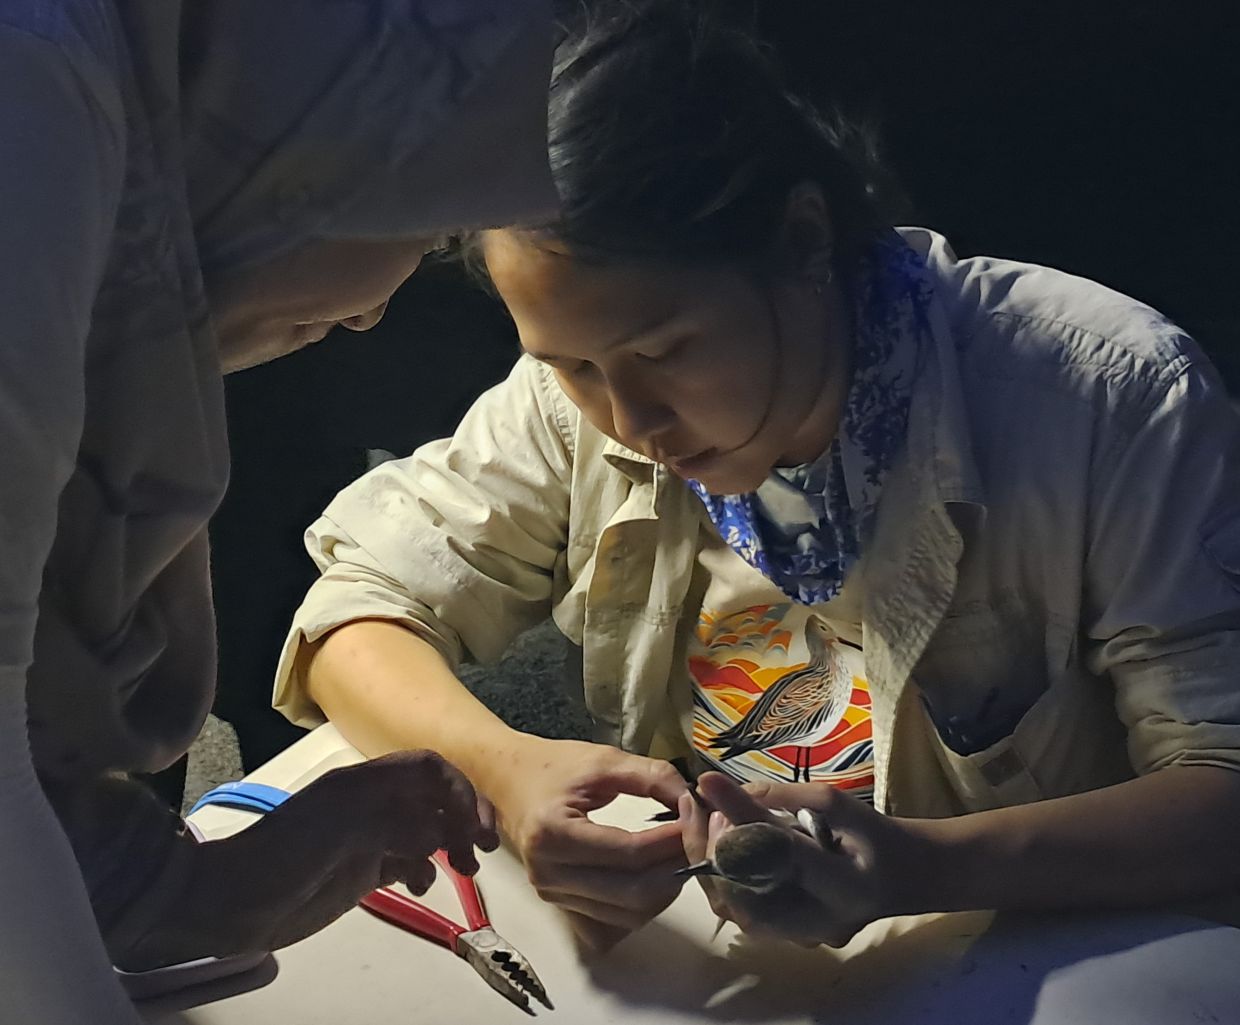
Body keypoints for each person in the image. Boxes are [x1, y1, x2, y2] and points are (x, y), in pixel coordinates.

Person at [275, 0, 1240, 955]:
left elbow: (1221, 783)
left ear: (805, 238)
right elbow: (354, 611)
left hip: (1035, 951)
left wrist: (925, 867)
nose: (628, 421)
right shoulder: (577, 388)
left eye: (669, 349)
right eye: (571, 364)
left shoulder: (1110, 399)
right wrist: (510, 770)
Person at [1, 1, 560, 1021]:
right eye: (429, 220)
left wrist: (182, 890)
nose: (372, 313)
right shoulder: (31, 106)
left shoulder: (104, 157)